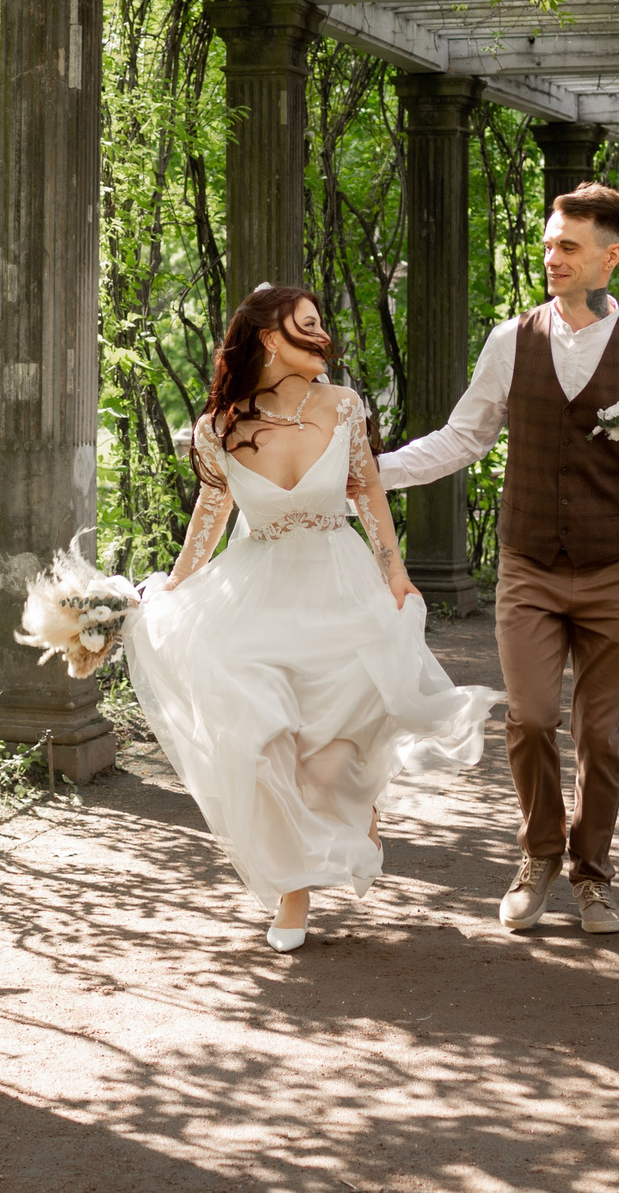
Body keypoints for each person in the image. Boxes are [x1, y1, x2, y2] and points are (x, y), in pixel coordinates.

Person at [375, 181, 619, 936]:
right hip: (527, 565)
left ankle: (593, 874)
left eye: (568, 246)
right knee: (528, 718)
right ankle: (539, 855)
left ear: (609, 257)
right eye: (549, 243)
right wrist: (375, 468)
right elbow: (463, 437)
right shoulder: (510, 341)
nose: (551, 257)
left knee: (600, 733)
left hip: (614, 567)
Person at [127, 285, 502, 953]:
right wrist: (164, 592)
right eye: (308, 327)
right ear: (270, 339)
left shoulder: (344, 406)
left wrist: (396, 575)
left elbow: (369, 497)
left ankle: (355, 810)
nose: (323, 336)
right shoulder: (217, 429)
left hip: (339, 589)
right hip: (255, 597)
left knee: (328, 765)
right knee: (257, 742)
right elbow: (205, 528)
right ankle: (291, 892)